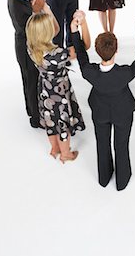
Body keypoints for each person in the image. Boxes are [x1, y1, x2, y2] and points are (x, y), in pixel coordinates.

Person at [70, 7, 135, 191]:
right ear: (116, 51)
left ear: (98, 52)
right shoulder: (124, 73)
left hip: (100, 111)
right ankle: (122, 180)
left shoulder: (89, 72)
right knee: (121, 145)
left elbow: (81, 54)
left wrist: (75, 28)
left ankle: (104, 177)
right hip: (123, 112)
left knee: (102, 144)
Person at [26, 13, 89, 162]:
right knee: (62, 122)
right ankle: (66, 154)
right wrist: (82, 24)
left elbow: (55, 28)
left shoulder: (32, 47)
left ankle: (54, 149)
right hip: (59, 93)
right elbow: (84, 47)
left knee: (50, 120)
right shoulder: (58, 54)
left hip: (45, 91)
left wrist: (46, 9)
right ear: (47, 31)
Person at [7, 0, 59, 128]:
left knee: (32, 81)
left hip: (31, 47)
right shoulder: (17, 7)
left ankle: (33, 110)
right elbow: (27, 29)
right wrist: (37, 10)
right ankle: (36, 119)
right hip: (26, 49)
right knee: (31, 82)